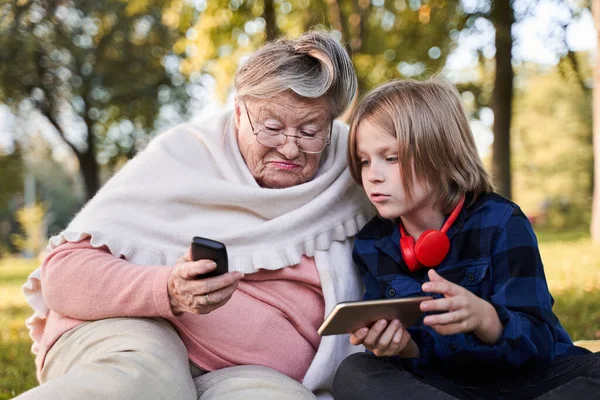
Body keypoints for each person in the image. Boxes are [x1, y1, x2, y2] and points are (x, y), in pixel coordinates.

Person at [17, 31, 374, 400]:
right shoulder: (185, 157)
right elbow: (63, 275)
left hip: (253, 376)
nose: (290, 147)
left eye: (310, 131)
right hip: (136, 334)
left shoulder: (352, 172)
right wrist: (167, 290)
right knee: (152, 384)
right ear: (239, 111)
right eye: (271, 127)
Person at [332, 79, 600, 399]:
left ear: (440, 154)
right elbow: (414, 356)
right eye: (364, 160)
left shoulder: (502, 222)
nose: (373, 174)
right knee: (356, 372)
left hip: (531, 379)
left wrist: (486, 319)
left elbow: (539, 340)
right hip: (446, 386)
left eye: (391, 158)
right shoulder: (372, 242)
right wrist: (404, 346)